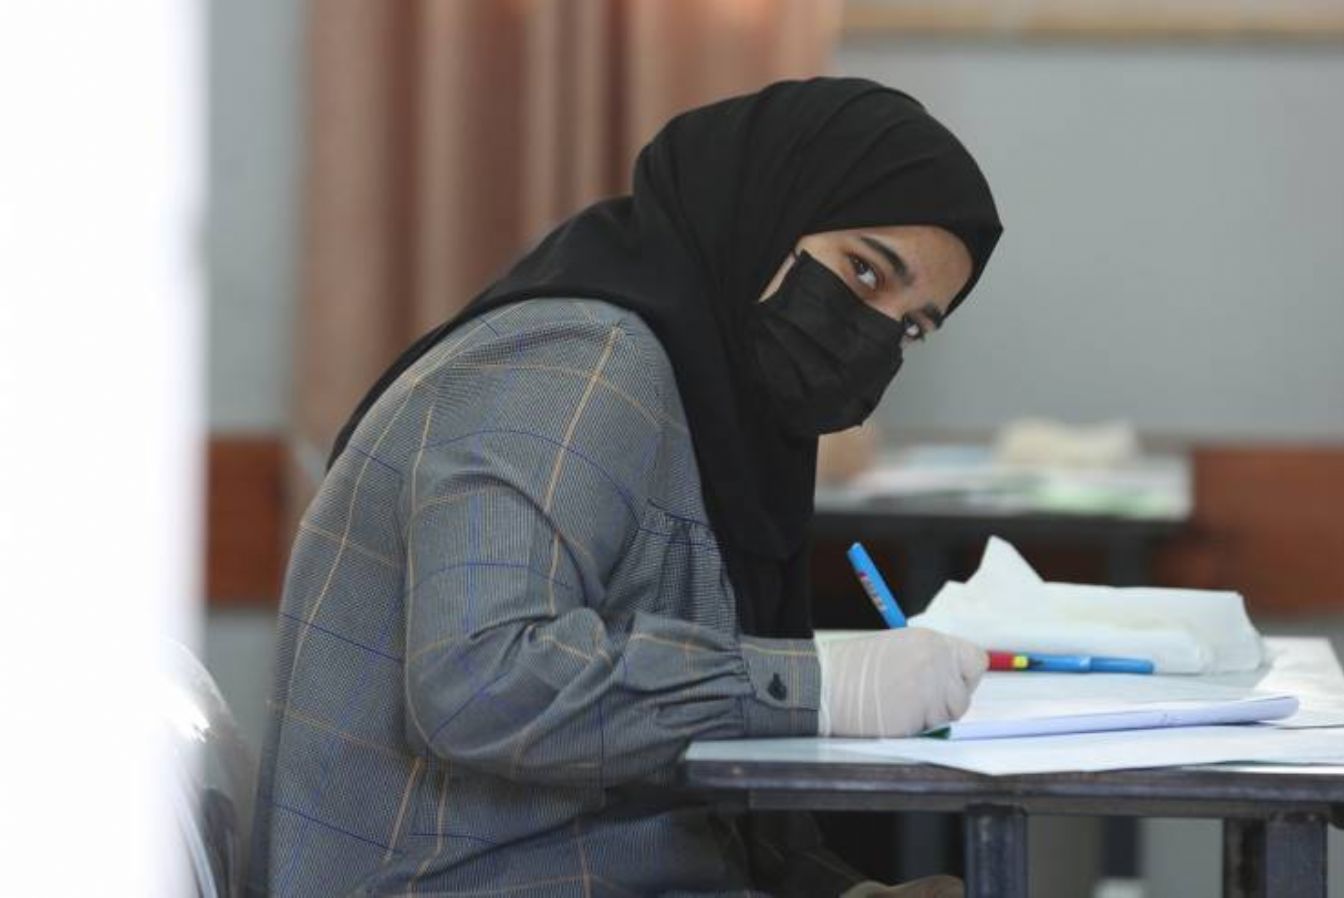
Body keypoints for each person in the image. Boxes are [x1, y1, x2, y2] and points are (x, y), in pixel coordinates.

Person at [248, 77, 1003, 897]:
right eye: (863, 272)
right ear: (765, 209)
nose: (876, 336)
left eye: (911, 326)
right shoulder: (579, 363)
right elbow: (479, 680)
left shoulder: (709, 406)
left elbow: (662, 805)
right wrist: (823, 686)